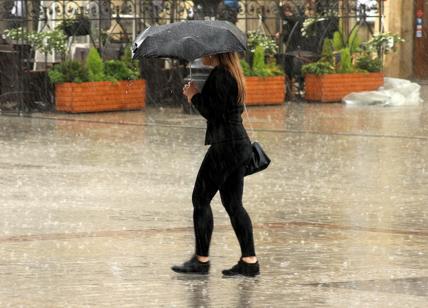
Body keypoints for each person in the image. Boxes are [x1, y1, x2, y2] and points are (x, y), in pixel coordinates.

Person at [171, 52, 260, 277]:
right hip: (238, 145)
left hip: (225, 146)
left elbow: (213, 113)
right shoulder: (232, 74)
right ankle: (249, 261)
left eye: (205, 53)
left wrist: (193, 96)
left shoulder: (221, 75)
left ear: (215, 53)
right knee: (233, 204)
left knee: (200, 199)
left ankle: (201, 261)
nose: (202, 56)